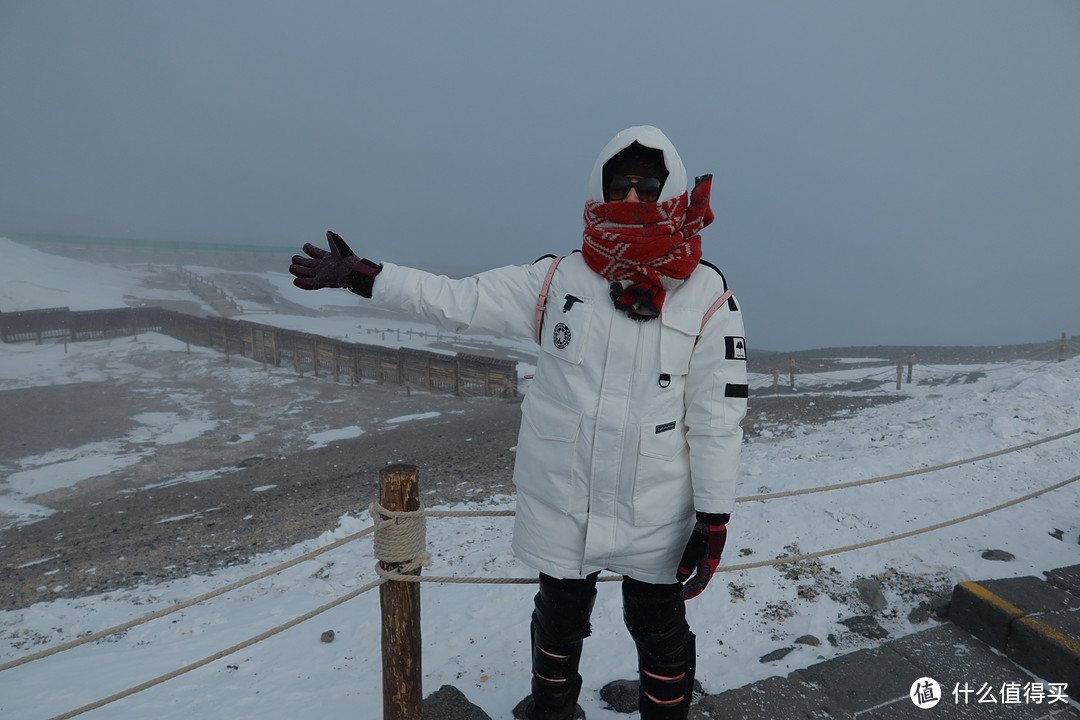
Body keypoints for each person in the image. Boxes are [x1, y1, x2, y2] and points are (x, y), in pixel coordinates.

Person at [289, 125, 747, 720]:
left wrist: (713, 517)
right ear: (599, 188)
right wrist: (364, 276)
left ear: (672, 191)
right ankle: (550, 712)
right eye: (620, 185)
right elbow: (459, 299)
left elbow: (717, 417)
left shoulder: (707, 295)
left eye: (648, 186)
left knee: (657, 623)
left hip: (655, 503)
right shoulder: (557, 281)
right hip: (564, 497)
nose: (632, 199)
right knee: (558, 617)